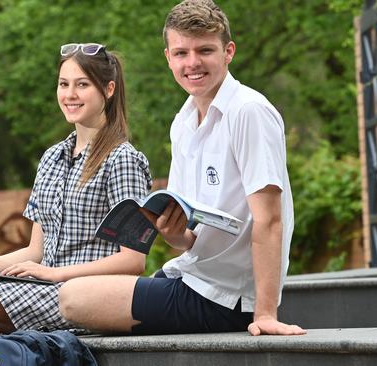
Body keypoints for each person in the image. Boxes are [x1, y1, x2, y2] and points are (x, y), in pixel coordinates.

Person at [59, 0, 306, 336]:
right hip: (187, 275)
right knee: (72, 302)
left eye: (205, 50)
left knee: (73, 298)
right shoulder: (184, 121)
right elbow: (188, 238)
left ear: (228, 52)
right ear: (168, 58)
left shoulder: (248, 111)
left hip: (227, 298)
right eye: (181, 53)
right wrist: (175, 233)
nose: (192, 63)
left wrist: (264, 314)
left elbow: (270, 220)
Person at [0, 43, 152, 365]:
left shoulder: (123, 159)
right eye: (63, 84)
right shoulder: (52, 158)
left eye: (82, 84)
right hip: (42, 286)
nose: (70, 94)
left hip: (86, 295)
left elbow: (134, 261)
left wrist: (54, 274)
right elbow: (34, 251)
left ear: (108, 90)